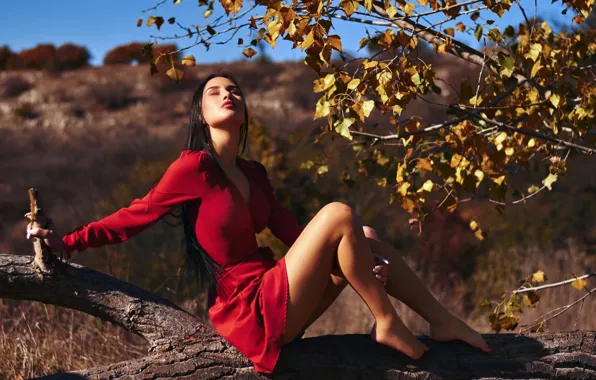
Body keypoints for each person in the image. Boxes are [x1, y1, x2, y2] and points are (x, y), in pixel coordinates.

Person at [25, 72, 491, 375]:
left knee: (364, 234)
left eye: (235, 91)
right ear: (201, 115)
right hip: (245, 309)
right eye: (215, 92)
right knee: (341, 213)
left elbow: (296, 235)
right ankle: (387, 323)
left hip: (277, 290)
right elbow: (135, 215)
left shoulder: (254, 174)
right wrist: (66, 241)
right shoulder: (193, 168)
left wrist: (369, 263)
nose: (228, 94)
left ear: (244, 111)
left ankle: (443, 321)